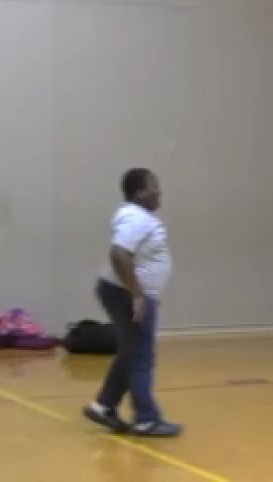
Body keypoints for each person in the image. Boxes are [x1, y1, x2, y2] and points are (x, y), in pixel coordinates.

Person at [82, 168, 181, 437]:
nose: (159, 192)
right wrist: (137, 294)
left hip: (123, 291)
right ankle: (146, 419)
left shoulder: (139, 217)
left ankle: (104, 406)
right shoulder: (136, 218)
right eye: (153, 186)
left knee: (131, 351)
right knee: (140, 354)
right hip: (126, 293)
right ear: (138, 192)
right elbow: (118, 253)